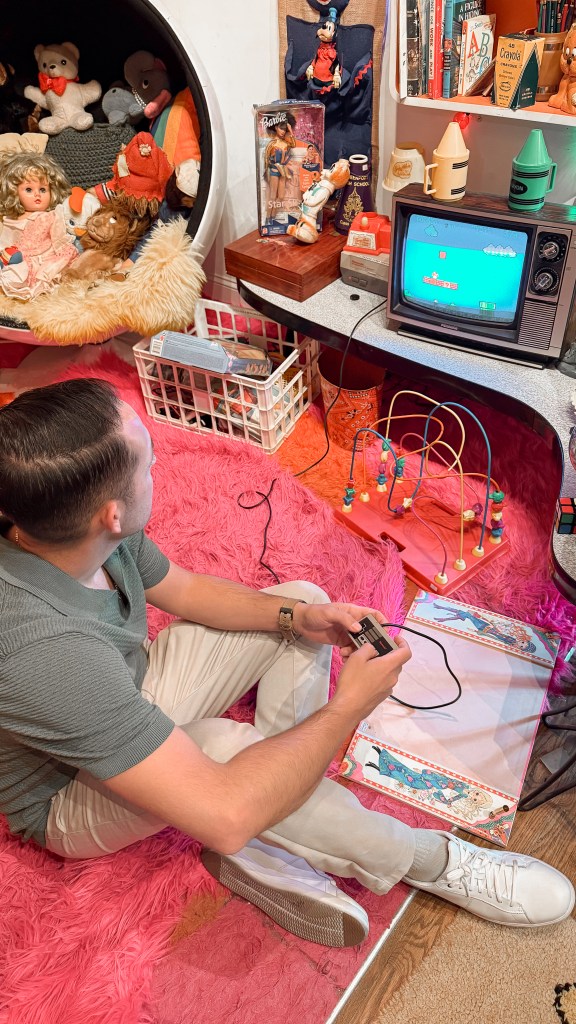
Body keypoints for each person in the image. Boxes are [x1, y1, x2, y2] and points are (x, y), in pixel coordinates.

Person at [0, 379, 573, 948]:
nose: (159, 470)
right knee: (224, 756)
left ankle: (279, 818)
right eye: (148, 466)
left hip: (125, 688)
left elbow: (186, 589)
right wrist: (348, 706)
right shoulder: (44, 650)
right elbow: (224, 814)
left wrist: (299, 618)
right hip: (69, 793)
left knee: (298, 606)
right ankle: (429, 859)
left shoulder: (76, 526)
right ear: (111, 514)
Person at [0, 152, 79, 300]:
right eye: (29, 190)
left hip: (45, 259)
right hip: (18, 259)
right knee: (12, 274)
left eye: (43, 190)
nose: (37, 194)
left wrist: (65, 253)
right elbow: (6, 240)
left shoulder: (51, 216)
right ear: (14, 193)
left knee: (44, 278)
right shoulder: (12, 219)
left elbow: (59, 238)